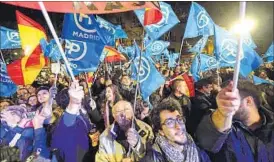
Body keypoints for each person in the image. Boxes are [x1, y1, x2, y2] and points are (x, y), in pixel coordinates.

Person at [196, 80, 274, 162]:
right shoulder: (223, 125)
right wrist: (222, 114)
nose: (225, 103)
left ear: (248, 101)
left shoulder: (271, 125)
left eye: (231, 99)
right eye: (223, 99)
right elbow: (206, 142)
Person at [140, 98, 211, 162]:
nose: (178, 126)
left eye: (179, 119)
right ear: (161, 131)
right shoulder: (153, 158)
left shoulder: (199, 152)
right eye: (170, 122)